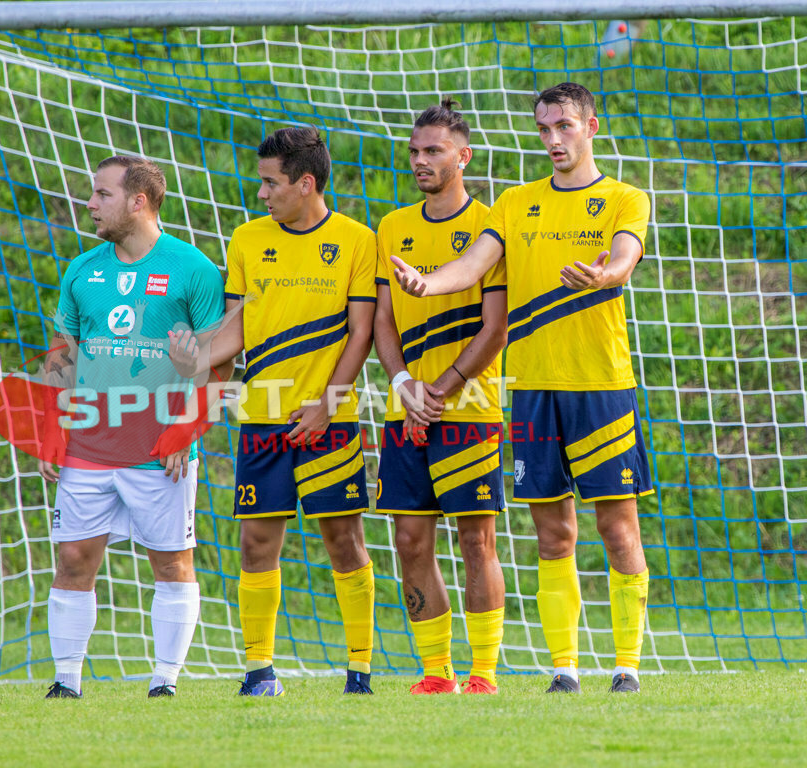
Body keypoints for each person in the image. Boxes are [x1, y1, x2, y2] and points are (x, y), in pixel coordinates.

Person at [392, 82, 652, 694]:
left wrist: (605, 275)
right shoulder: (516, 202)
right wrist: (428, 283)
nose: (553, 139)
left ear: (591, 126)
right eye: (543, 129)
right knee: (553, 531)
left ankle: (627, 667)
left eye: (563, 126)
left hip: (600, 384)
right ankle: (563, 667)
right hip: (532, 389)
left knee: (619, 529)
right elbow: (472, 265)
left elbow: (625, 256)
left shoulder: (623, 197)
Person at [174, 126, 378, 696]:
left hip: (329, 421)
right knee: (256, 542)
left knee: (343, 539)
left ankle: (359, 672)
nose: (261, 194)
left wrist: (328, 403)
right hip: (262, 419)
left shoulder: (357, 241)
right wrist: (196, 357)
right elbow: (236, 325)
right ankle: (259, 671)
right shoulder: (246, 239)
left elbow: (361, 333)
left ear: (304, 183)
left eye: (270, 183)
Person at [38, 156, 228, 699]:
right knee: (73, 558)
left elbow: (219, 362)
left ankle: (164, 682)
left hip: (158, 446)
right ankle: (66, 681)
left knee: (171, 561)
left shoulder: (193, 269)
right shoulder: (82, 269)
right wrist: (53, 427)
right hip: (88, 445)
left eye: (102, 195)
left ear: (138, 201)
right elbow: (62, 354)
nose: (91, 204)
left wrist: (186, 430)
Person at [374, 100, 508, 695]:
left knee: (476, 538)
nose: (422, 160)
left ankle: (483, 672)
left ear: (464, 155)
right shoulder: (392, 226)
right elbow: (380, 321)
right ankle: (436, 672)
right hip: (407, 407)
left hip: (470, 407)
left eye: (434, 150)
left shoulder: (490, 226)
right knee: (409, 538)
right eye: (415, 151)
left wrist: (444, 388)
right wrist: (405, 386)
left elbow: (495, 325)